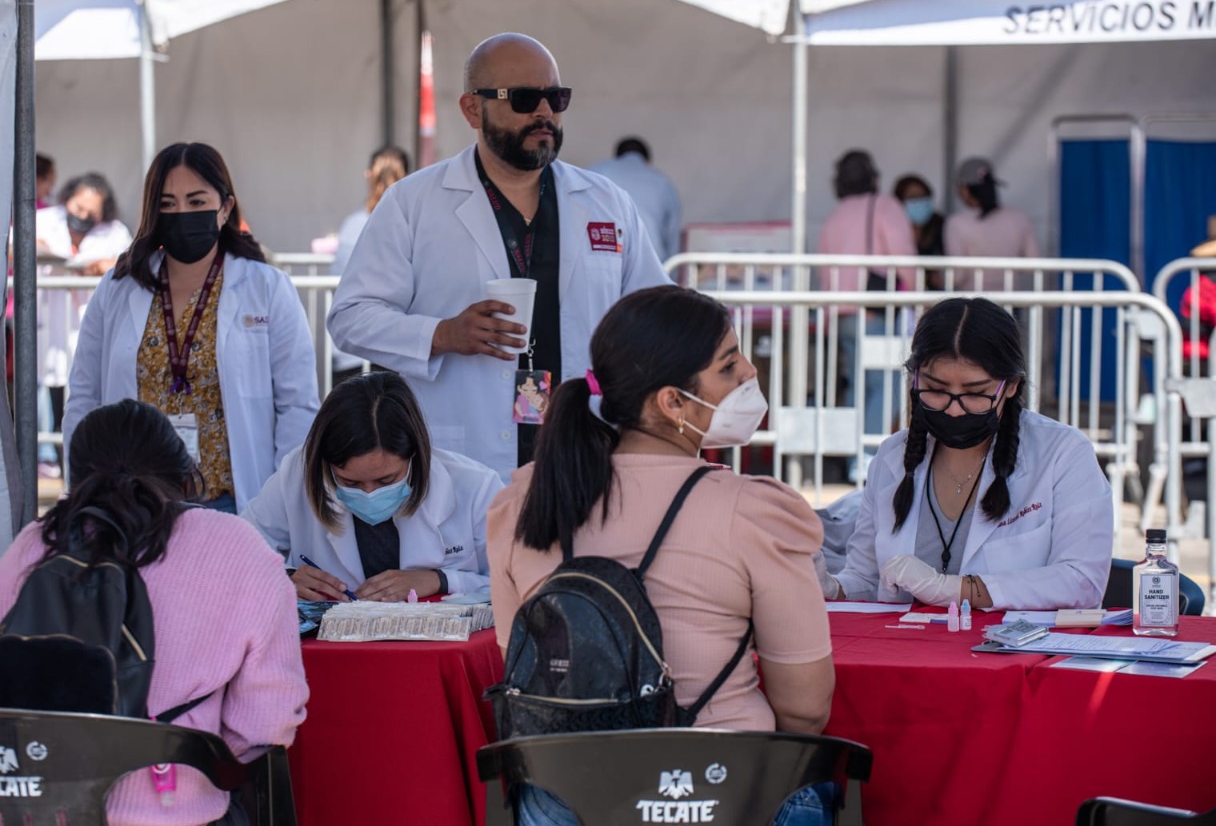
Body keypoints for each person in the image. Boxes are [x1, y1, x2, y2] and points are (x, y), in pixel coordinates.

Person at [488, 285, 835, 826]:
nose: (749, 372)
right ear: (672, 401)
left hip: (566, 802)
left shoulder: (520, 504)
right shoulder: (753, 511)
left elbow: (525, 668)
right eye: (728, 365)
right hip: (723, 793)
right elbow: (805, 709)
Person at [0, 399, 308, 825]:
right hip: (172, 814)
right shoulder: (238, 548)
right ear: (184, 477)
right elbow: (266, 725)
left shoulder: (36, 544)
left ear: (76, 479)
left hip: (25, 813)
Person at [327, 33, 670, 482]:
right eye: (525, 98)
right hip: (462, 456)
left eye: (555, 97)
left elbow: (657, 317)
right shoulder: (413, 203)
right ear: (473, 108)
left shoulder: (606, 203)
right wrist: (442, 333)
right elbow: (351, 318)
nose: (544, 112)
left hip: (581, 451)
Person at [65, 142, 319, 513]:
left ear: (225, 208)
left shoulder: (266, 287)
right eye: (168, 205)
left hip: (233, 502)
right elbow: (84, 397)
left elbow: (297, 406)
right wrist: (84, 488)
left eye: (197, 202)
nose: (181, 213)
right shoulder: (119, 288)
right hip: (133, 505)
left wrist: (282, 503)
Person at [816, 297, 1113, 611]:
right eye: (936, 389)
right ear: (914, 379)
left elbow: (1082, 582)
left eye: (974, 393)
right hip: (911, 653)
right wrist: (830, 586)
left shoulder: (1062, 453)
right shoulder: (892, 457)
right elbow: (868, 581)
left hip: (1013, 655)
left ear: (1011, 386)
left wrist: (954, 589)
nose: (954, 410)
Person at [242, 372, 501, 602]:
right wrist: (282, 576)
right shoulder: (295, 475)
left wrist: (441, 581)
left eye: (386, 481)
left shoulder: (476, 488)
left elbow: (517, 585)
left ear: (415, 455)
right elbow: (234, 555)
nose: (369, 493)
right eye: (350, 482)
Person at [817, 150, 917, 482]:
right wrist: (919, 298)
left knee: (856, 386)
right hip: (875, 310)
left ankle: (851, 459)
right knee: (885, 383)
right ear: (873, 177)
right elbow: (904, 255)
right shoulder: (885, 206)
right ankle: (867, 460)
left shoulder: (834, 217)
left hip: (842, 314)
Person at [35, 172, 134, 474]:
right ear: (68, 199)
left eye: (92, 213)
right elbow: (14, 245)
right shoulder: (43, 219)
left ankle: (80, 466)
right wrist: (47, 253)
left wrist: (109, 265)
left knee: (84, 397)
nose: (83, 216)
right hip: (46, 326)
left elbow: (130, 259)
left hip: (85, 328)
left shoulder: (115, 233)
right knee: (43, 391)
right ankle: (46, 458)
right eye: (79, 208)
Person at [331, 146, 411, 384]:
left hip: (352, 350)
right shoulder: (411, 225)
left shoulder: (353, 224)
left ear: (369, 175)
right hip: (398, 350)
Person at [943, 157, 1039, 291]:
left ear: (964, 189)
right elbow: (1032, 264)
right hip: (1012, 301)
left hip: (976, 303)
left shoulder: (957, 223)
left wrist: (938, 278)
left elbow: (958, 275)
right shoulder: (1019, 217)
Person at [589, 136, 682, 261]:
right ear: (648, 161)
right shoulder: (663, 182)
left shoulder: (598, 172)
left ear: (616, 157)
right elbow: (672, 237)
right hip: (651, 260)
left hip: (604, 255)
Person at [892, 173, 946, 290]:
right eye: (913, 197)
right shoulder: (892, 229)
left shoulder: (940, 225)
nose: (919, 201)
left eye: (923, 196)